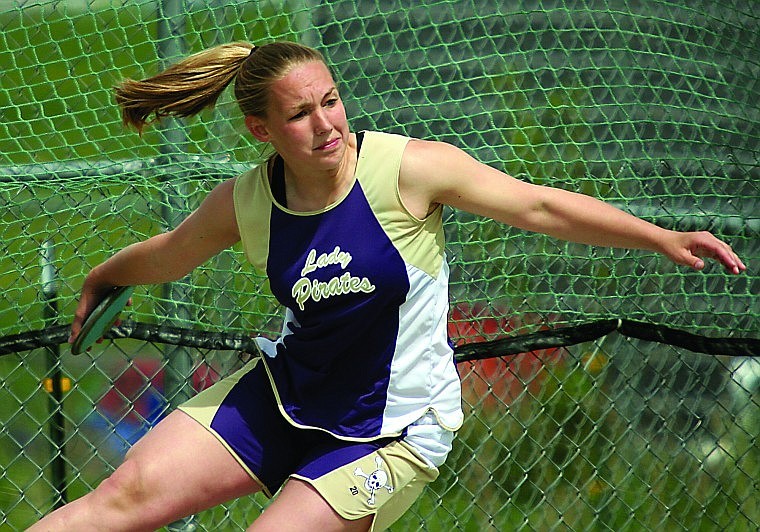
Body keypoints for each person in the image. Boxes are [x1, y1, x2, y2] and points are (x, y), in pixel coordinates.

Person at [29, 40, 746, 532]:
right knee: (122, 498)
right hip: (287, 397)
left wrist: (660, 236)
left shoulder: (408, 171)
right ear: (261, 129)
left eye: (331, 101)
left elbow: (539, 204)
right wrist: (106, 274)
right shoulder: (248, 200)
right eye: (300, 114)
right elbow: (171, 253)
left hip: (393, 433)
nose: (326, 124)